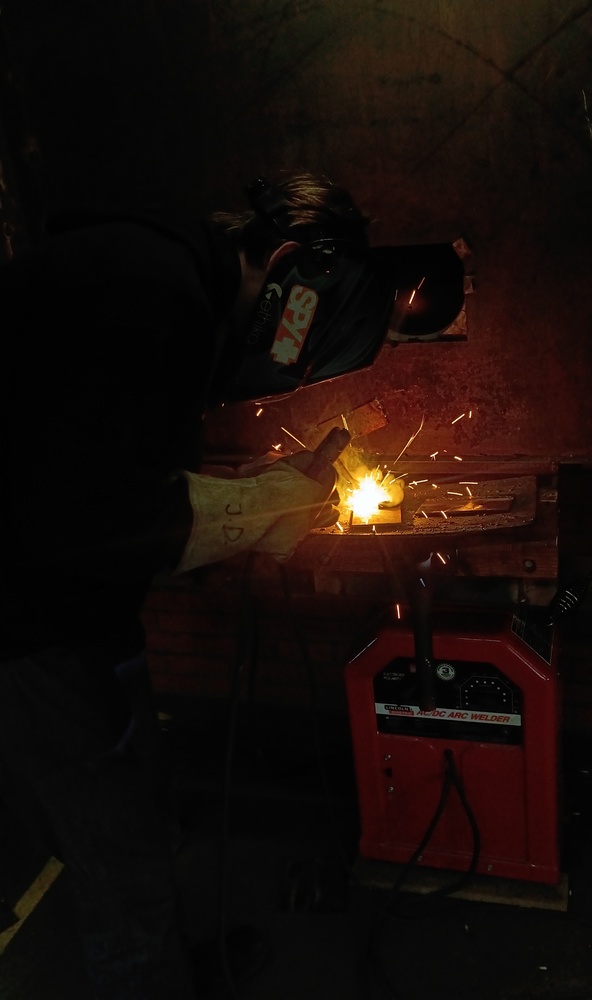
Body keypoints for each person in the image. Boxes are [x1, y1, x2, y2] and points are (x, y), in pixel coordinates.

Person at [0, 168, 465, 999]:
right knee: (119, 849)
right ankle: (146, 975)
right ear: (286, 267)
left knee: (142, 799)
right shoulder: (153, 292)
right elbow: (94, 512)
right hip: (25, 617)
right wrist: (258, 504)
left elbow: (120, 475)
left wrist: (256, 498)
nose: (281, 364)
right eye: (298, 344)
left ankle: (167, 961)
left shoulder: (165, 276)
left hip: (72, 603)